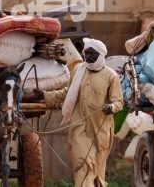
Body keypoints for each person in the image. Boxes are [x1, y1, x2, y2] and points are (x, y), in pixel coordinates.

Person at [33, 38, 124, 187]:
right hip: (79, 125)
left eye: (92, 54)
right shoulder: (78, 70)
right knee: (83, 161)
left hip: (101, 129)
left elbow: (118, 102)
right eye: (86, 53)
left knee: (97, 169)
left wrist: (111, 107)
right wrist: (45, 95)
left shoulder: (111, 76)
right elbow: (67, 93)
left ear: (100, 55)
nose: (88, 57)